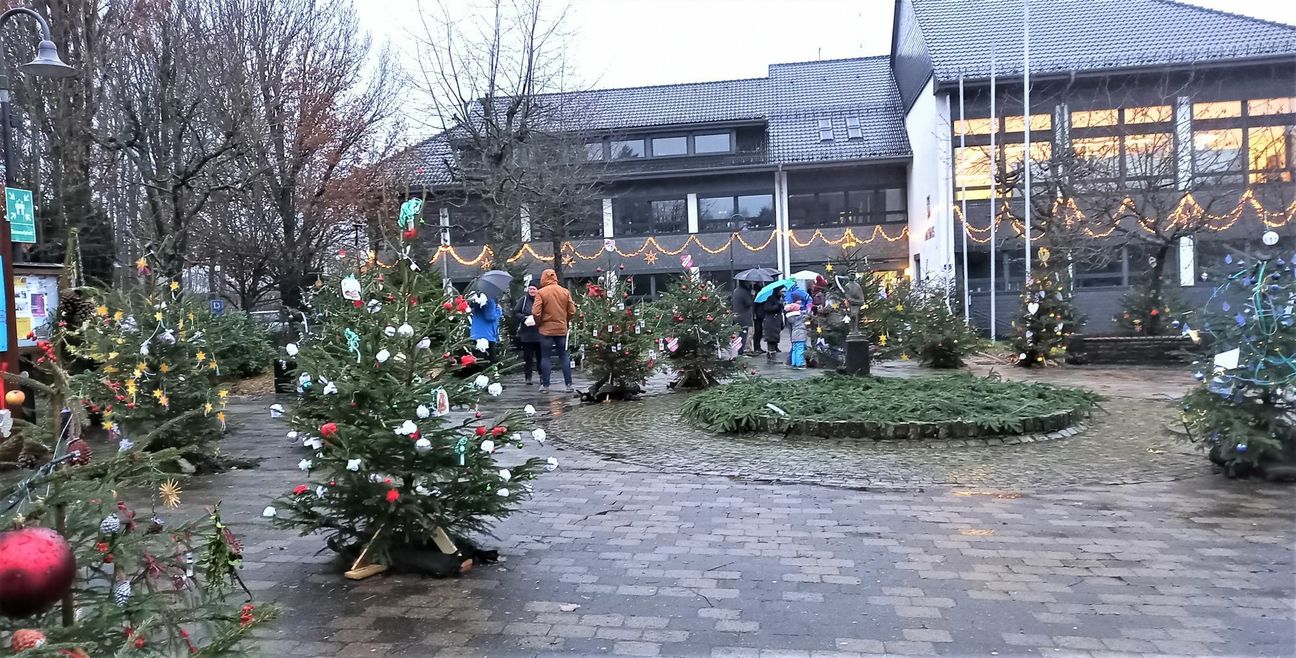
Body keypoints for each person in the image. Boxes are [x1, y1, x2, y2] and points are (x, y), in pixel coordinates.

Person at [530, 268, 577, 393]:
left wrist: (539, 323)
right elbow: (572, 311)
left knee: (546, 357)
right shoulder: (564, 291)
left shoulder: (541, 293)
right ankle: (569, 385)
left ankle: (545, 385)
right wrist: (565, 320)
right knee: (563, 355)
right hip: (561, 329)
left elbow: (535, 312)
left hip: (546, 330)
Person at [514, 284, 541, 384]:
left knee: (540, 357)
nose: (532, 291)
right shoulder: (523, 300)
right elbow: (516, 312)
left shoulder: (540, 300)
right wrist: (524, 318)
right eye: (530, 289)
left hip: (539, 333)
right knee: (528, 357)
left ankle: (542, 375)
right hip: (526, 334)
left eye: (534, 289)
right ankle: (528, 377)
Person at [468, 293, 501, 361]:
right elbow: (490, 316)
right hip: (487, 335)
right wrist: (499, 311)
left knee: (477, 361)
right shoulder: (490, 299)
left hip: (475, 334)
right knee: (489, 362)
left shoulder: (476, 299)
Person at [760, 290, 785, 362]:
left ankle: (772, 355)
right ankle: (771, 356)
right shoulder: (770, 299)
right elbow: (767, 308)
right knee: (771, 339)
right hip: (771, 321)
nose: (783, 293)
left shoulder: (780, 299)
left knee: (774, 339)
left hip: (776, 321)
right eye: (781, 291)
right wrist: (778, 306)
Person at [730, 282, 754, 355]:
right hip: (744, 317)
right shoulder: (744, 292)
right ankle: (740, 351)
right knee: (743, 336)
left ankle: (736, 351)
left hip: (736, 316)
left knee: (737, 335)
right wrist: (752, 296)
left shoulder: (736, 291)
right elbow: (748, 303)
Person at [785, 302, 807, 369]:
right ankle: (800, 364)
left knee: (795, 349)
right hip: (800, 334)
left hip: (794, 334)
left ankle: (794, 363)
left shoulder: (791, 318)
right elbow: (807, 316)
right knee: (800, 349)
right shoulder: (800, 317)